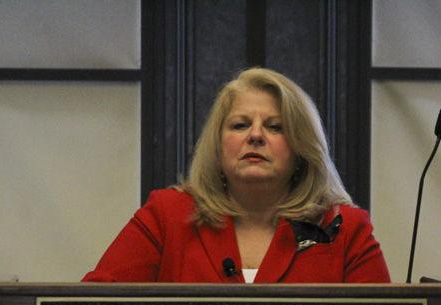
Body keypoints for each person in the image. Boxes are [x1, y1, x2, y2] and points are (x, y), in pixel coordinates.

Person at [83, 68, 390, 283]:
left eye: (274, 127)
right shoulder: (166, 216)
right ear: (217, 145)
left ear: (301, 148)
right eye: (240, 125)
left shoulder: (345, 229)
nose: (255, 136)